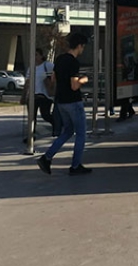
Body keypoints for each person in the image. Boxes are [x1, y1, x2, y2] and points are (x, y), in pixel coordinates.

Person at [37, 33, 91, 176]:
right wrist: (83, 80)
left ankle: (46, 157)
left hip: (61, 102)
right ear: (79, 46)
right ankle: (75, 165)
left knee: (67, 131)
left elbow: (53, 79)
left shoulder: (59, 59)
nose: (82, 50)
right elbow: (74, 85)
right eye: (83, 47)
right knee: (81, 134)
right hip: (73, 101)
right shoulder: (73, 62)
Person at [24, 48, 59, 137]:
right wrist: (24, 95)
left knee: (45, 114)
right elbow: (27, 82)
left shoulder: (47, 65)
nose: (35, 57)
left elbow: (55, 78)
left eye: (36, 55)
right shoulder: (31, 68)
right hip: (33, 95)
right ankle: (31, 135)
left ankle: (57, 125)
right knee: (32, 117)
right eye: (33, 55)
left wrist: (51, 85)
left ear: (41, 55)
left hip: (45, 95)